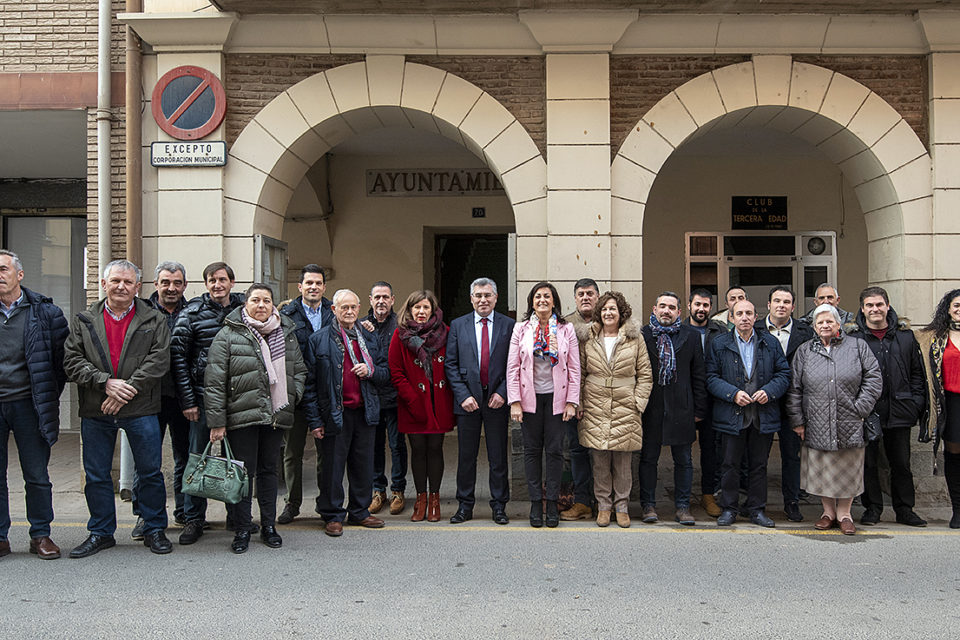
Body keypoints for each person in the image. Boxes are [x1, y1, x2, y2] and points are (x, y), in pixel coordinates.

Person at [63, 259, 172, 557]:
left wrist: (124, 391)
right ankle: (101, 532)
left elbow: (159, 360)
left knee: (149, 473)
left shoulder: (154, 319)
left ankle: (153, 528)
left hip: (141, 408)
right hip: (97, 408)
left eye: (127, 282)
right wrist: (105, 383)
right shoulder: (84, 320)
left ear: (137, 287)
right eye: (115, 281)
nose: (121, 286)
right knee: (97, 474)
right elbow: (72, 361)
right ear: (103, 284)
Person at [204, 284, 306, 553]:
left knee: (269, 472)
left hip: (275, 414)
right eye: (256, 300)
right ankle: (242, 528)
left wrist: (292, 395)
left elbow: (299, 369)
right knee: (242, 475)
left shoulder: (286, 333)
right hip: (242, 416)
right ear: (245, 304)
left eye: (267, 301)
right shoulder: (229, 334)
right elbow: (215, 381)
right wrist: (217, 421)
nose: (261, 305)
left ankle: (269, 526)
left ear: (273, 305)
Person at [786, 304, 882, 535]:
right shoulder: (805, 351)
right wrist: (798, 421)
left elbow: (873, 378)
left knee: (847, 469)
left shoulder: (857, 346)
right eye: (820, 322)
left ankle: (845, 514)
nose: (825, 325)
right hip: (816, 420)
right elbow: (795, 388)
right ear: (814, 327)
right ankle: (828, 513)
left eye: (829, 321)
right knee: (824, 470)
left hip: (850, 419)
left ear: (839, 324)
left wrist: (860, 408)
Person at [0, 250, 68, 560]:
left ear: (20, 274)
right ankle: (1, 537)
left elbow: (61, 363)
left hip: (30, 404)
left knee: (37, 474)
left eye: (3, 269)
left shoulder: (45, 312)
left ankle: (40, 534)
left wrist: (46, 395)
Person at [304, 289, 389, 537]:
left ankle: (360, 511)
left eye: (353, 307)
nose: (350, 312)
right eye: (344, 307)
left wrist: (371, 371)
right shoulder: (319, 340)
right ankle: (332, 514)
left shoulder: (369, 337)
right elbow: (309, 385)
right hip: (334, 413)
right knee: (332, 467)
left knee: (363, 465)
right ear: (334, 309)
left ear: (359, 308)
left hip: (364, 411)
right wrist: (315, 420)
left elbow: (385, 372)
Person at [170, 261, 244, 545]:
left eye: (222, 279)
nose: (217, 285)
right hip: (201, 398)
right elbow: (179, 360)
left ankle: (236, 516)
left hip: (237, 397)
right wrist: (188, 401)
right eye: (212, 280)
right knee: (197, 459)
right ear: (206, 284)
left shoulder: (244, 310)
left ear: (232, 282)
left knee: (235, 459)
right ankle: (193, 519)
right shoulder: (191, 314)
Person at [847, 286, 928, 527]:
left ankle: (905, 509)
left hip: (901, 409)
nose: (875, 309)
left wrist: (916, 403)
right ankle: (872, 508)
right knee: (868, 463)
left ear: (888, 306)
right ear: (862, 309)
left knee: (901, 463)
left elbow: (917, 374)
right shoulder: (854, 340)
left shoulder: (905, 337)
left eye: (879, 304)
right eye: (870, 305)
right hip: (867, 411)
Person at [706, 299, 790, 528]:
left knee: (759, 465)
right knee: (729, 465)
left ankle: (756, 509)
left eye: (749, 313)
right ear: (731, 318)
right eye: (739, 313)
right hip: (731, 414)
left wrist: (769, 391)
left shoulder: (770, 342)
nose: (744, 317)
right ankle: (729, 509)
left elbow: (784, 374)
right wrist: (732, 394)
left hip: (762, 414)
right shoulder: (719, 343)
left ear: (756, 317)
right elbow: (711, 377)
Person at [507, 282, 580, 528]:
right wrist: (515, 401)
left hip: (557, 398)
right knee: (531, 451)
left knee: (555, 451)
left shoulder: (566, 329)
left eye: (547, 296)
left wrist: (572, 401)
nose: (542, 300)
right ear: (532, 302)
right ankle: (536, 503)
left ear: (554, 301)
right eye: (537, 296)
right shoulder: (521, 329)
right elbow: (513, 367)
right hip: (530, 398)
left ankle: (552, 502)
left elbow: (574, 368)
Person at [576, 291, 652, 527]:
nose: (608, 313)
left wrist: (638, 402)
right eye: (605, 309)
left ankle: (622, 506)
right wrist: (579, 402)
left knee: (622, 461)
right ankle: (603, 506)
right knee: (599, 460)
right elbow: (580, 373)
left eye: (613, 309)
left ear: (621, 313)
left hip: (625, 405)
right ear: (599, 313)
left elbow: (645, 374)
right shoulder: (588, 337)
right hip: (595, 404)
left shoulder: (634, 338)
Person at [127, 261, 189, 539]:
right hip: (147, 397)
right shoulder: (140, 313)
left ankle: (184, 511)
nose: (171, 288)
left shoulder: (193, 311)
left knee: (185, 456)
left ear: (184, 285)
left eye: (177, 283)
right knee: (146, 459)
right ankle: (145, 515)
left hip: (183, 397)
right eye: (165, 282)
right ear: (155, 285)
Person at [445, 277, 515, 525]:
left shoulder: (509, 325)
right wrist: (463, 395)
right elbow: (450, 364)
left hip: (497, 400)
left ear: (496, 298)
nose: (483, 300)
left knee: (498, 457)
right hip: (468, 402)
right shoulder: (458, 325)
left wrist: (503, 392)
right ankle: (465, 506)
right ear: (471, 299)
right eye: (478, 295)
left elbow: (514, 364)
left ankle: (499, 506)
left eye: (487, 295)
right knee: (466, 457)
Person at [640, 292, 708, 525]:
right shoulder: (643, 335)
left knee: (684, 460)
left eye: (671, 307)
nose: (666, 311)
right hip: (651, 407)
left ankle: (683, 507)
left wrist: (699, 409)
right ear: (654, 309)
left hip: (682, 408)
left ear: (679, 312)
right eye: (662, 306)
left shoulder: (690, 336)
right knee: (648, 459)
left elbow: (699, 374)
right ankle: (648, 505)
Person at [389, 290, 455, 522]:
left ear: (433, 310)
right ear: (409, 309)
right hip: (412, 402)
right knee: (417, 450)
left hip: (439, 401)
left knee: (435, 448)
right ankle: (421, 498)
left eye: (426, 307)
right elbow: (395, 370)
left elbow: (452, 363)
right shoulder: (400, 334)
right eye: (417, 307)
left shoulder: (445, 332)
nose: (421, 311)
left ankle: (435, 499)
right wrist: (412, 398)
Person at [276, 264, 334, 525]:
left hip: (326, 393)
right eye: (309, 283)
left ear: (324, 287)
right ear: (300, 287)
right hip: (296, 393)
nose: (313, 287)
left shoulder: (334, 312)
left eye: (318, 283)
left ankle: (325, 503)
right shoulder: (286, 315)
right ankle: (292, 502)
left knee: (326, 452)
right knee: (292, 452)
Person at [754, 285, 814, 523]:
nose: (781, 305)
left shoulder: (805, 332)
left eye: (786, 302)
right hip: (763, 401)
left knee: (792, 456)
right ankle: (756, 503)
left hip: (793, 403)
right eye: (777, 301)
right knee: (758, 457)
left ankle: (792, 502)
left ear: (793, 306)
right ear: (768, 305)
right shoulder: (755, 329)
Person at [360, 281, 407, 516]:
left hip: (395, 396)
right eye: (377, 297)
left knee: (397, 445)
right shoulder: (361, 326)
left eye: (385, 297)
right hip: (371, 397)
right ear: (370, 300)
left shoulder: (401, 325)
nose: (381, 301)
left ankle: (398, 490)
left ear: (392, 300)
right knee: (374, 446)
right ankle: (378, 490)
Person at [917, 289, 960, 528]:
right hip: (950, 403)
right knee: (954, 455)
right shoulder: (934, 338)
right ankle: (958, 510)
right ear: (948, 309)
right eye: (956, 305)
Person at [559, 278, 598, 521]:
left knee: (605, 452)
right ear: (575, 298)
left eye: (590, 293)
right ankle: (582, 501)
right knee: (576, 450)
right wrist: (575, 400)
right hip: (573, 400)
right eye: (581, 294)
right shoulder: (564, 325)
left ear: (597, 297)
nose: (585, 297)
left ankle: (606, 503)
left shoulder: (609, 321)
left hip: (603, 398)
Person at [685, 288, 725, 517]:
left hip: (712, 400)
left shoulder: (719, 331)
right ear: (689, 305)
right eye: (697, 304)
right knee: (683, 452)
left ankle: (708, 494)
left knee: (710, 451)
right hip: (686, 399)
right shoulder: (680, 329)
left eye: (706, 305)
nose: (701, 309)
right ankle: (683, 496)